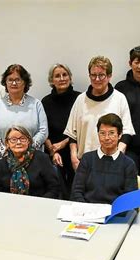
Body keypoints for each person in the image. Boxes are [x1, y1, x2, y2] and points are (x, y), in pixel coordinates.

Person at [64, 56, 135, 171]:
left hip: (112, 163)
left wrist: (118, 157)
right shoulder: (80, 100)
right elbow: (72, 134)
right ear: (89, 76)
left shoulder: (119, 99)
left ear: (109, 76)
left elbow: (126, 133)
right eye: (93, 75)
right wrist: (74, 157)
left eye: (101, 75)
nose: (97, 79)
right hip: (84, 164)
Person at [71, 113, 138, 204]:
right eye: (102, 133)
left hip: (114, 213)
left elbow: (130, 200)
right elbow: (76, 191)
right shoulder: (87, 159)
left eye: (111, 133)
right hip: (87, 211)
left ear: (120, 135)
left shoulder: (128, 164)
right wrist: (85, 210)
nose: (106, 138)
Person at [0, 64, 48, 160]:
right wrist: (4, 152)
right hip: (3, 159)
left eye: (18, 79)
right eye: (10, 80)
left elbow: (43, 131)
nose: (14, 83)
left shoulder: (36, 104)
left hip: (32, 158)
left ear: (25, 82)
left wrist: (29, 151)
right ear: (5, 82)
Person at [42, 64, 80, 198]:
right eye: (57, 76)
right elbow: (43, 129)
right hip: (52, 152)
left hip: (74, 151)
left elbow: (80, 128)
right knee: (57, 190)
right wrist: (52, 151)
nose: (62, 78)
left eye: (65, 75)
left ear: (70, 77)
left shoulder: (80, 99)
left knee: (75, 190)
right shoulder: (45, 102)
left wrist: (62, 144)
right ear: (51, 80)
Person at [0, 126, 60, 198]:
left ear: (29, 141)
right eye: (13, 139)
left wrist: (40, 204)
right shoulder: (3, 163)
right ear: (7, 143)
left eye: (22, 138)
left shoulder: (42, 158)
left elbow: (54, 188)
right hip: (10, 204)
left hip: (38, 204)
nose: (18, 142)